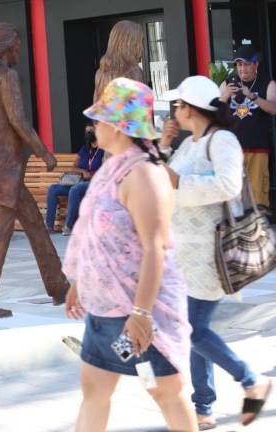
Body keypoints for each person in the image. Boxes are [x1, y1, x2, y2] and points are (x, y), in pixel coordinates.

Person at [64, 77, 197, 432]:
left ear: (119, 125)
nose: (94, 127)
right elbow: (91, 230)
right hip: (105, 311)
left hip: (137, 313)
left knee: (164, 390)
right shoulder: (111, 168)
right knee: (95, 387)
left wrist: (141, 313)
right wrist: (80, 281)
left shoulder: (143, 175)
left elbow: (155, 245)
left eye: (99, 119)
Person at [161, 75, 273, 429]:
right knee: (195, 330)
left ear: (192, 108)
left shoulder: (222, 140)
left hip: (211, 255)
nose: (173, 112)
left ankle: (250, 380)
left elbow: (228, 184)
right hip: (184, 254)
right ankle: (204, 408)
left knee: (194, 330)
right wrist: (163, 148)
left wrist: (182, 184)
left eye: (177, 105)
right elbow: (167, 179)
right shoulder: (189, 143)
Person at [0, 22, 68, 315]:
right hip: (6, 170)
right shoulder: (7, 77)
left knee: (36, 230)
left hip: (0, 169)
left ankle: (59, 287)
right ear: (6, 47)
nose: (19, 49)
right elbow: (19, 121)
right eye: (16, 43)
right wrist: (45, 153)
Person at [219, 45, 276, 207]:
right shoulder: (227, 83)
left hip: (258, 148)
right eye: (239, 65)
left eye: (246, 64)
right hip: (232, 150)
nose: (242, 69)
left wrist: (252, 97)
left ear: (256, 64)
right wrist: (225, 96)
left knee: (258, 198)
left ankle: (259, 229)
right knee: (233, 198)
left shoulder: (267, 83)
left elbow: (273, 108)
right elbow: (213, 113)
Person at [45, 126, 103, 235]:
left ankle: (68, 226)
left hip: (94, 183)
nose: (95, 144)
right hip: (79, 180)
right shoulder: (84, 150)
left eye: (91, 132)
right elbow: (73, 167)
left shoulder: (103, 151)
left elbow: (106, 170)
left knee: (75, 189)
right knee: (53, 189)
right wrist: (82, 171)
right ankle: (49, 226)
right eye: (86, 132)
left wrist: (91, 174)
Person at [93, 20, 145, 102]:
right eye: (139, 42)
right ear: (129, 44)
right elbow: (142, 112)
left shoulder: (100, 74)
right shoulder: (135, 73)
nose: (142, 48)